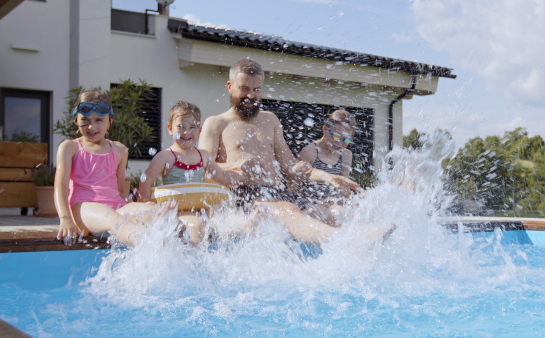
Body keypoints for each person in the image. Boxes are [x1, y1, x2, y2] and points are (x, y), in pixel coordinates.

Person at [199, 59, 364, 244]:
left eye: (256, 89)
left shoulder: (270, 120)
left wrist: (327, 177)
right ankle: (348, 242)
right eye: (244, 88)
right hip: (244, 196)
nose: (251, 95)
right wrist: (236, 165)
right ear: (230, 87)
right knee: (288, 210)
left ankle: (360, 247)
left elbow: (290, 165)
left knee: (334, 212)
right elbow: (201, 167)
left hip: (278, 192)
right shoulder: (216, 123)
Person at [55, 90, 171, 246]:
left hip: (117, 207)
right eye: (85, 120)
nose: (91, 126)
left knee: (159, 212)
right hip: (84, 208)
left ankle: (162, 255)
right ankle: (150, 245)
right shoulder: (70, 147)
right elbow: (60, 186)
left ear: (110, 121)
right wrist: (65, 218)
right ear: (76, 119)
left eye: (99, 120)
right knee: (117, 221)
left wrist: (141, 210)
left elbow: (121, 190)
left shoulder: (119, 150)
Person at [138, 100, 252, 244]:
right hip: (178, 210)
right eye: (181, 127)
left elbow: (221, 176)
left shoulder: (203, 156)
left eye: (192, 127)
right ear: (170, 129)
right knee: (196, 225)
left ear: (200, 130)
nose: (186, 132)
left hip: (203, 208)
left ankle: (250, 223)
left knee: (230, 221)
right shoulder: (165, 157)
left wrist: (243, 176)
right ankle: (192, 260)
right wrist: (149, 209)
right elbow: (145, 182)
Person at [294, 110, 357, 226]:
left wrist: (353, 196)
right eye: (336, 136)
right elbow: (295, 183)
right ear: (325, 130)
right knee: (335, 216)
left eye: (346, 140)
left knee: (356, 214)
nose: (340, 143)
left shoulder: (346, 155)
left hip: (334, 203)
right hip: (309, 204)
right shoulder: (311, 151)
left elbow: (343, 185)